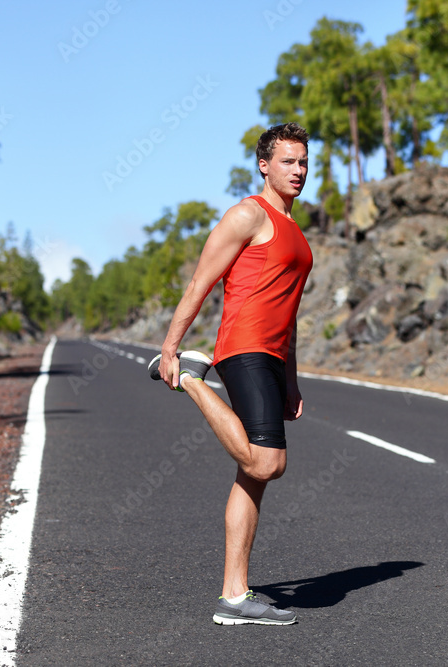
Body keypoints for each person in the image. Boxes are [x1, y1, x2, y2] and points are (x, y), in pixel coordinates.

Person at [148, 122, 313, 625]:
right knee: (268, 464)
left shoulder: (295, 230)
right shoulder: (248, 214)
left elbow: (290, 313)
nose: (299, 171)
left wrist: (292, 380)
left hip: (271, 354)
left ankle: (235, 597)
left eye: (304, 163)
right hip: (243, 347)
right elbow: (202, 279)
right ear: (265, 165)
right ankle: (195, 380)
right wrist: (172, 346)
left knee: (252, 476)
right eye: (288, 162)